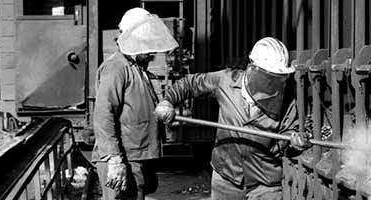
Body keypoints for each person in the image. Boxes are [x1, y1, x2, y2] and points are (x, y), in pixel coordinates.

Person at [154, 37, 313, 200]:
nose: (271, 85)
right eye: (268, 77)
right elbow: (189, 84)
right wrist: (168, 101)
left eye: (277, 78)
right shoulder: (226, 81)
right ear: (253, 68)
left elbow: (287, 137)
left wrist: (294, 142)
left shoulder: (286, 101)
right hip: (226, 179)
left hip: (264, 184)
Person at [92, 7, 178, 200]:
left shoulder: (138, 68)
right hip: (124, 157)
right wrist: (114, 159)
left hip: (136, 156)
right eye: (147, 44)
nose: (152, 51)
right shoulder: (116, 68)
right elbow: (103, 115)